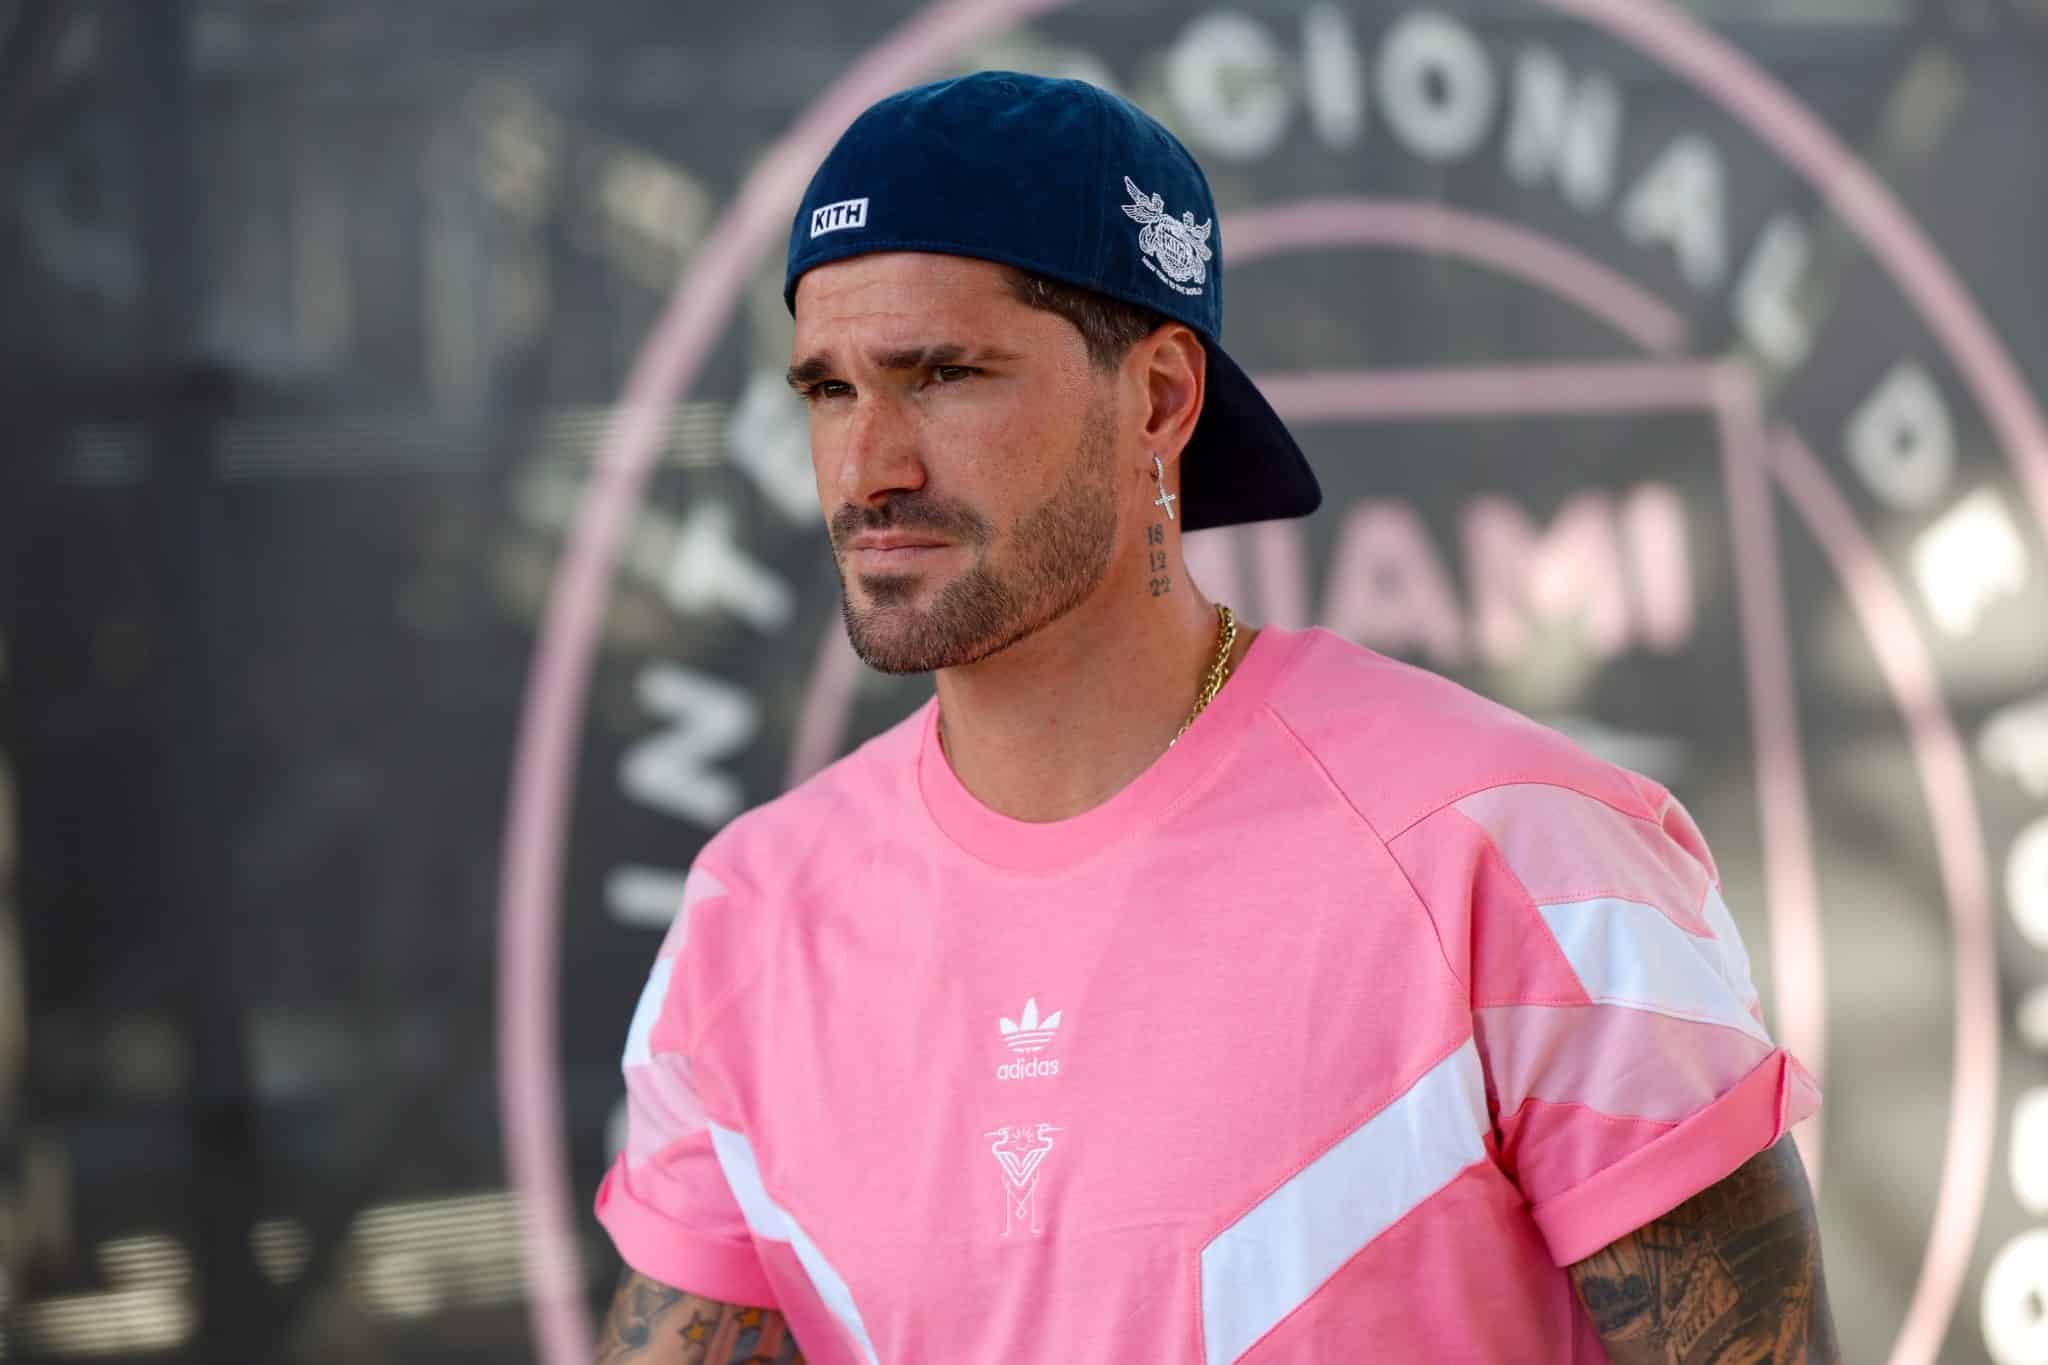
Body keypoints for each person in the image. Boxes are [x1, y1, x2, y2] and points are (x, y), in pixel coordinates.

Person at [590, 71, 1837, 1365]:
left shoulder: (1516, 852)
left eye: (945, 374)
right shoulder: (750, 919)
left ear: (1160, 400)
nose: (869, 467)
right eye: (828, 391)